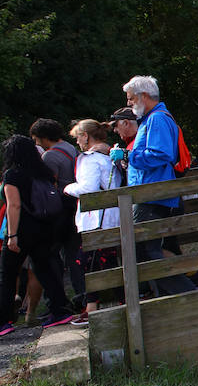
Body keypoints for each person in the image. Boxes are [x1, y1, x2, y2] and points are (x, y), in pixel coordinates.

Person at [113, 76, 198, 296]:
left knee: (144, 250)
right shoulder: (152, 119)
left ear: (143, 96)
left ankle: (186, 295)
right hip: (148, 193)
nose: (130, 104)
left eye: (131, 99)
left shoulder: (157, 119)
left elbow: (161, 154)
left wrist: (128, 155)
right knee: (144, 250)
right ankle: (176, 296)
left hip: (152, 194)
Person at [0, 136, 77, 333]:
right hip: (44, 228)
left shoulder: (12, 175)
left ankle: (3, 320)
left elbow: (14, 205)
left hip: (22, 230)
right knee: (45, 270)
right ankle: (60, 310)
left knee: (7, 275)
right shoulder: (44, 173)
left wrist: (12, 235)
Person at [63, 120, 119, 321]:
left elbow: (88, 188)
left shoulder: (89, 159)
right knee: (107, 261)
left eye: (78, 137)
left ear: (86, 136)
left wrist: (67, 188)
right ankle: (107, 302)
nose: (77, 141)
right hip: (111, 217)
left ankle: (93, 306)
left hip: (96, 219)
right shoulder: (107, 157)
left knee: (87, 262)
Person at [28, 118, 84, 313]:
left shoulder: (50, 157)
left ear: (44, 138)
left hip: (61, 210)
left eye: (36, 139)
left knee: (51, 255)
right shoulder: (69, 147)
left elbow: (48, 188)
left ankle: (60, 302)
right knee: (73, 254)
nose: (37, 144)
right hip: (75, 207)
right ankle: (82, 295)